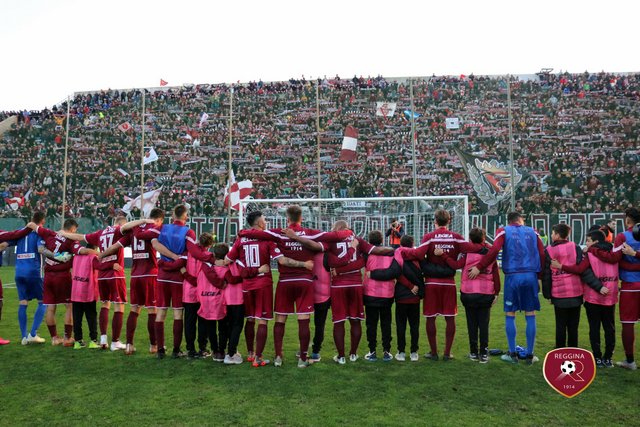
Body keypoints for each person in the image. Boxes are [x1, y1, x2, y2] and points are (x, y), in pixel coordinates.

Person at [226, 210, 314, 367]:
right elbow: (282, 260)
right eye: (265, 220)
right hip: (263, 284)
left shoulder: (241, 239)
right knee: (264, 321)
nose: (266, 222)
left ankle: (253, 354)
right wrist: (304, 264)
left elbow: (227, 259)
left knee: (250, 319)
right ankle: (261, 357)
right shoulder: (268, 241)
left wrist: (239, 265)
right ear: (260, 223)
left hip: (247, 285)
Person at [60, 215, 153, 351]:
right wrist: (144, 221)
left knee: (105, 304)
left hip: (102, 276)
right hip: (115, 274)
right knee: (119, 307)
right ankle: (115, 341)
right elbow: (126, 227)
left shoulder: (100, 233)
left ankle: (103, 339)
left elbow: (81, 237)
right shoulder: (118, 231)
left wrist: (65, 234)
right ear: (121, 224)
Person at [469, 212, 545, 364]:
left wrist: (479, 266)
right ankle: (530, 355)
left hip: (513, 277)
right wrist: (540, 276)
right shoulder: (533, 231)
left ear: (509, 221)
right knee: (530, 313)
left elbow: (495, 250)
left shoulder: (504, 231)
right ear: (520, 220)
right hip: (530, 275)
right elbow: (542, 254)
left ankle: (512, 354)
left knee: (510, 313)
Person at [99, 208, 165, 355]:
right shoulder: (155, 228)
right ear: (160, 219)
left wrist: (101, 254)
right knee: (152, 310)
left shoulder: (133, 230)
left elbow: (116, 246)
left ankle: (129, 345)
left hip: (135, 276)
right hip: (150, 274)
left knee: (134, 310)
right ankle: (153, 345)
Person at [556, 229, 618, 367]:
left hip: (593, 298)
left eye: (588, 240)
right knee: (610, 328)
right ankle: (608, 358)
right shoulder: (615, 254)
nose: (586, 243)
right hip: (610, 296)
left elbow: (579, 270)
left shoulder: (589, 254)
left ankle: (597, 357)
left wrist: (561, 266)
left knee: (594, 328)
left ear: (595, 242)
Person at [590, 207, 640, 370]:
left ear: (627, 219)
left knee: (628, 323)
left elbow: (613, 259)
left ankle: (630, 361)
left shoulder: (623, 236)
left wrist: (594, 249)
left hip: (630, 286)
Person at [30, 219, 94, 346]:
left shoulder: (50, 233)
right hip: (62, 276)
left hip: (48, 276)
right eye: (75, 230)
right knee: (69, 306)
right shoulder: (71, 241)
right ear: (72, 229)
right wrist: (97, 253)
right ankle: (67, 338)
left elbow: (33, 225)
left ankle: (54, 338)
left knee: (50, 307)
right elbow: (82, 251)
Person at [441, 228, 500, 363]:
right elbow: (495, 273)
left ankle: (473, 352)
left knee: (471, 323)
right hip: (485, 293)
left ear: (470, 240)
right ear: (484, 239)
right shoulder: (490, 253)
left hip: (468, 293)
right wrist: (496, 292)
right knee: (484, 324)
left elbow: (455, 265)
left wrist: (443, 256)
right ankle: (483, 354)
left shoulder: (466, 253)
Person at [543, 223, 602, 349]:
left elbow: (547, 274)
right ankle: (573, 350)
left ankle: (559, 351)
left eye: (553, 233)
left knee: (560, 325)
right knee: (573, 326)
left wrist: (547, 294)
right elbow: (582, 269)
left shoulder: (548, 250)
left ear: (558, 235)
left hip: (559, 294)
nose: (552, 235)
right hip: (576, 292)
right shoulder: (575, 247)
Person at [419, 209, 466, 362]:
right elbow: (465, 255)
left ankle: (434, 353)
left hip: (431, 282)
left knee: (430, 318)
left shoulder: (429, 237)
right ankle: (447, 353)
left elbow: (420, 256)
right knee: (450, 318)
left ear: (435, 221)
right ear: (449, 221)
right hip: (449, 282)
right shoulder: (457, 238)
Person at [200, 243, 252, 364]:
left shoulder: (216, 266)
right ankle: (231, 353)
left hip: (224, 299)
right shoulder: (227, 266)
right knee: (237, 325)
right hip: (236, 298)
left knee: (225, 326)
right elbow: (232, 279)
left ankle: (222, 351)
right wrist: (245, 277)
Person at [6, 212, 47, 345]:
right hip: (34, 271)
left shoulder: (20, 233)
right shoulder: (39, 233)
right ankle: (33, 334)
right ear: (42, 221)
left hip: (19, 272)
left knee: (23, 302)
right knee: (43, 301)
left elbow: (4, 244)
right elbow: (41, 249)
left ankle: (24, 336)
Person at [362, 230, 395, 362]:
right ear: (382, 240)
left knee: (371, 324)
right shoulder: (391, 253)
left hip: (370, 294)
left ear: (369, 241)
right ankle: (386, 351)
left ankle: (372, 351)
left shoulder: (366, 254)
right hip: (387, 294)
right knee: (386, 324)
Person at [0, 223, 34, 345]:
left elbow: (7, 241)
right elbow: (15, 234)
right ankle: (32, 334)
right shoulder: (1, 233)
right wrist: (31, 227)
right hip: (31, 271)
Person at [70, 243, 101, 349]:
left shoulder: (76, 257)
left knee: (77, 317)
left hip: (76, 291)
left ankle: (78, 342)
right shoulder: (93, 257)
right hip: (88, 291)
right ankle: (93, 341)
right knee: (91, 316)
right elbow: (100, 267)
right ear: (94, 248)